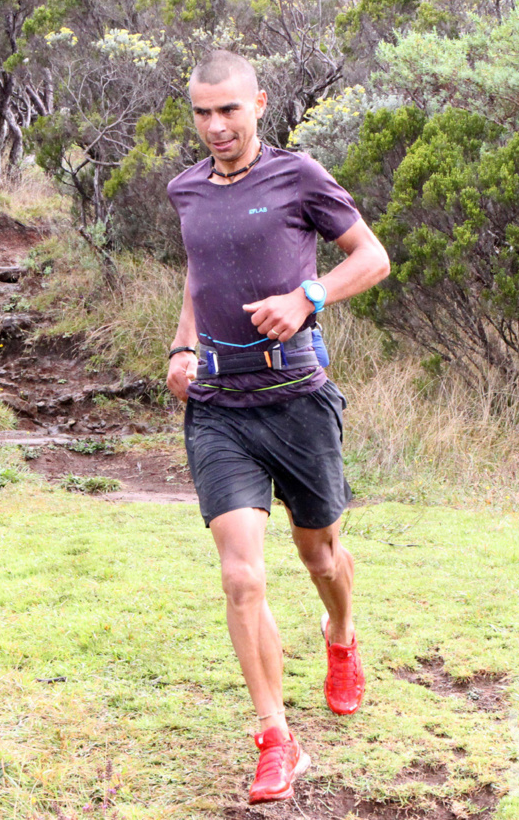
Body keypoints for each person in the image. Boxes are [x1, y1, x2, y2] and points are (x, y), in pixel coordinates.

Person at [166, 50, 390, 804]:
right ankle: (275, 739)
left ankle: (340, 636)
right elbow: (199, 277)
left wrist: (308, 296)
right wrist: (181, 344)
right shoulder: (186, 189)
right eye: (201, 112)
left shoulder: (298, 176)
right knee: (239, 575)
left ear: (259, 103)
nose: (215, 126)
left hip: (297, 399)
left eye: (228, 109)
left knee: (320, 556)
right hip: (220, 408)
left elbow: (372, 257)